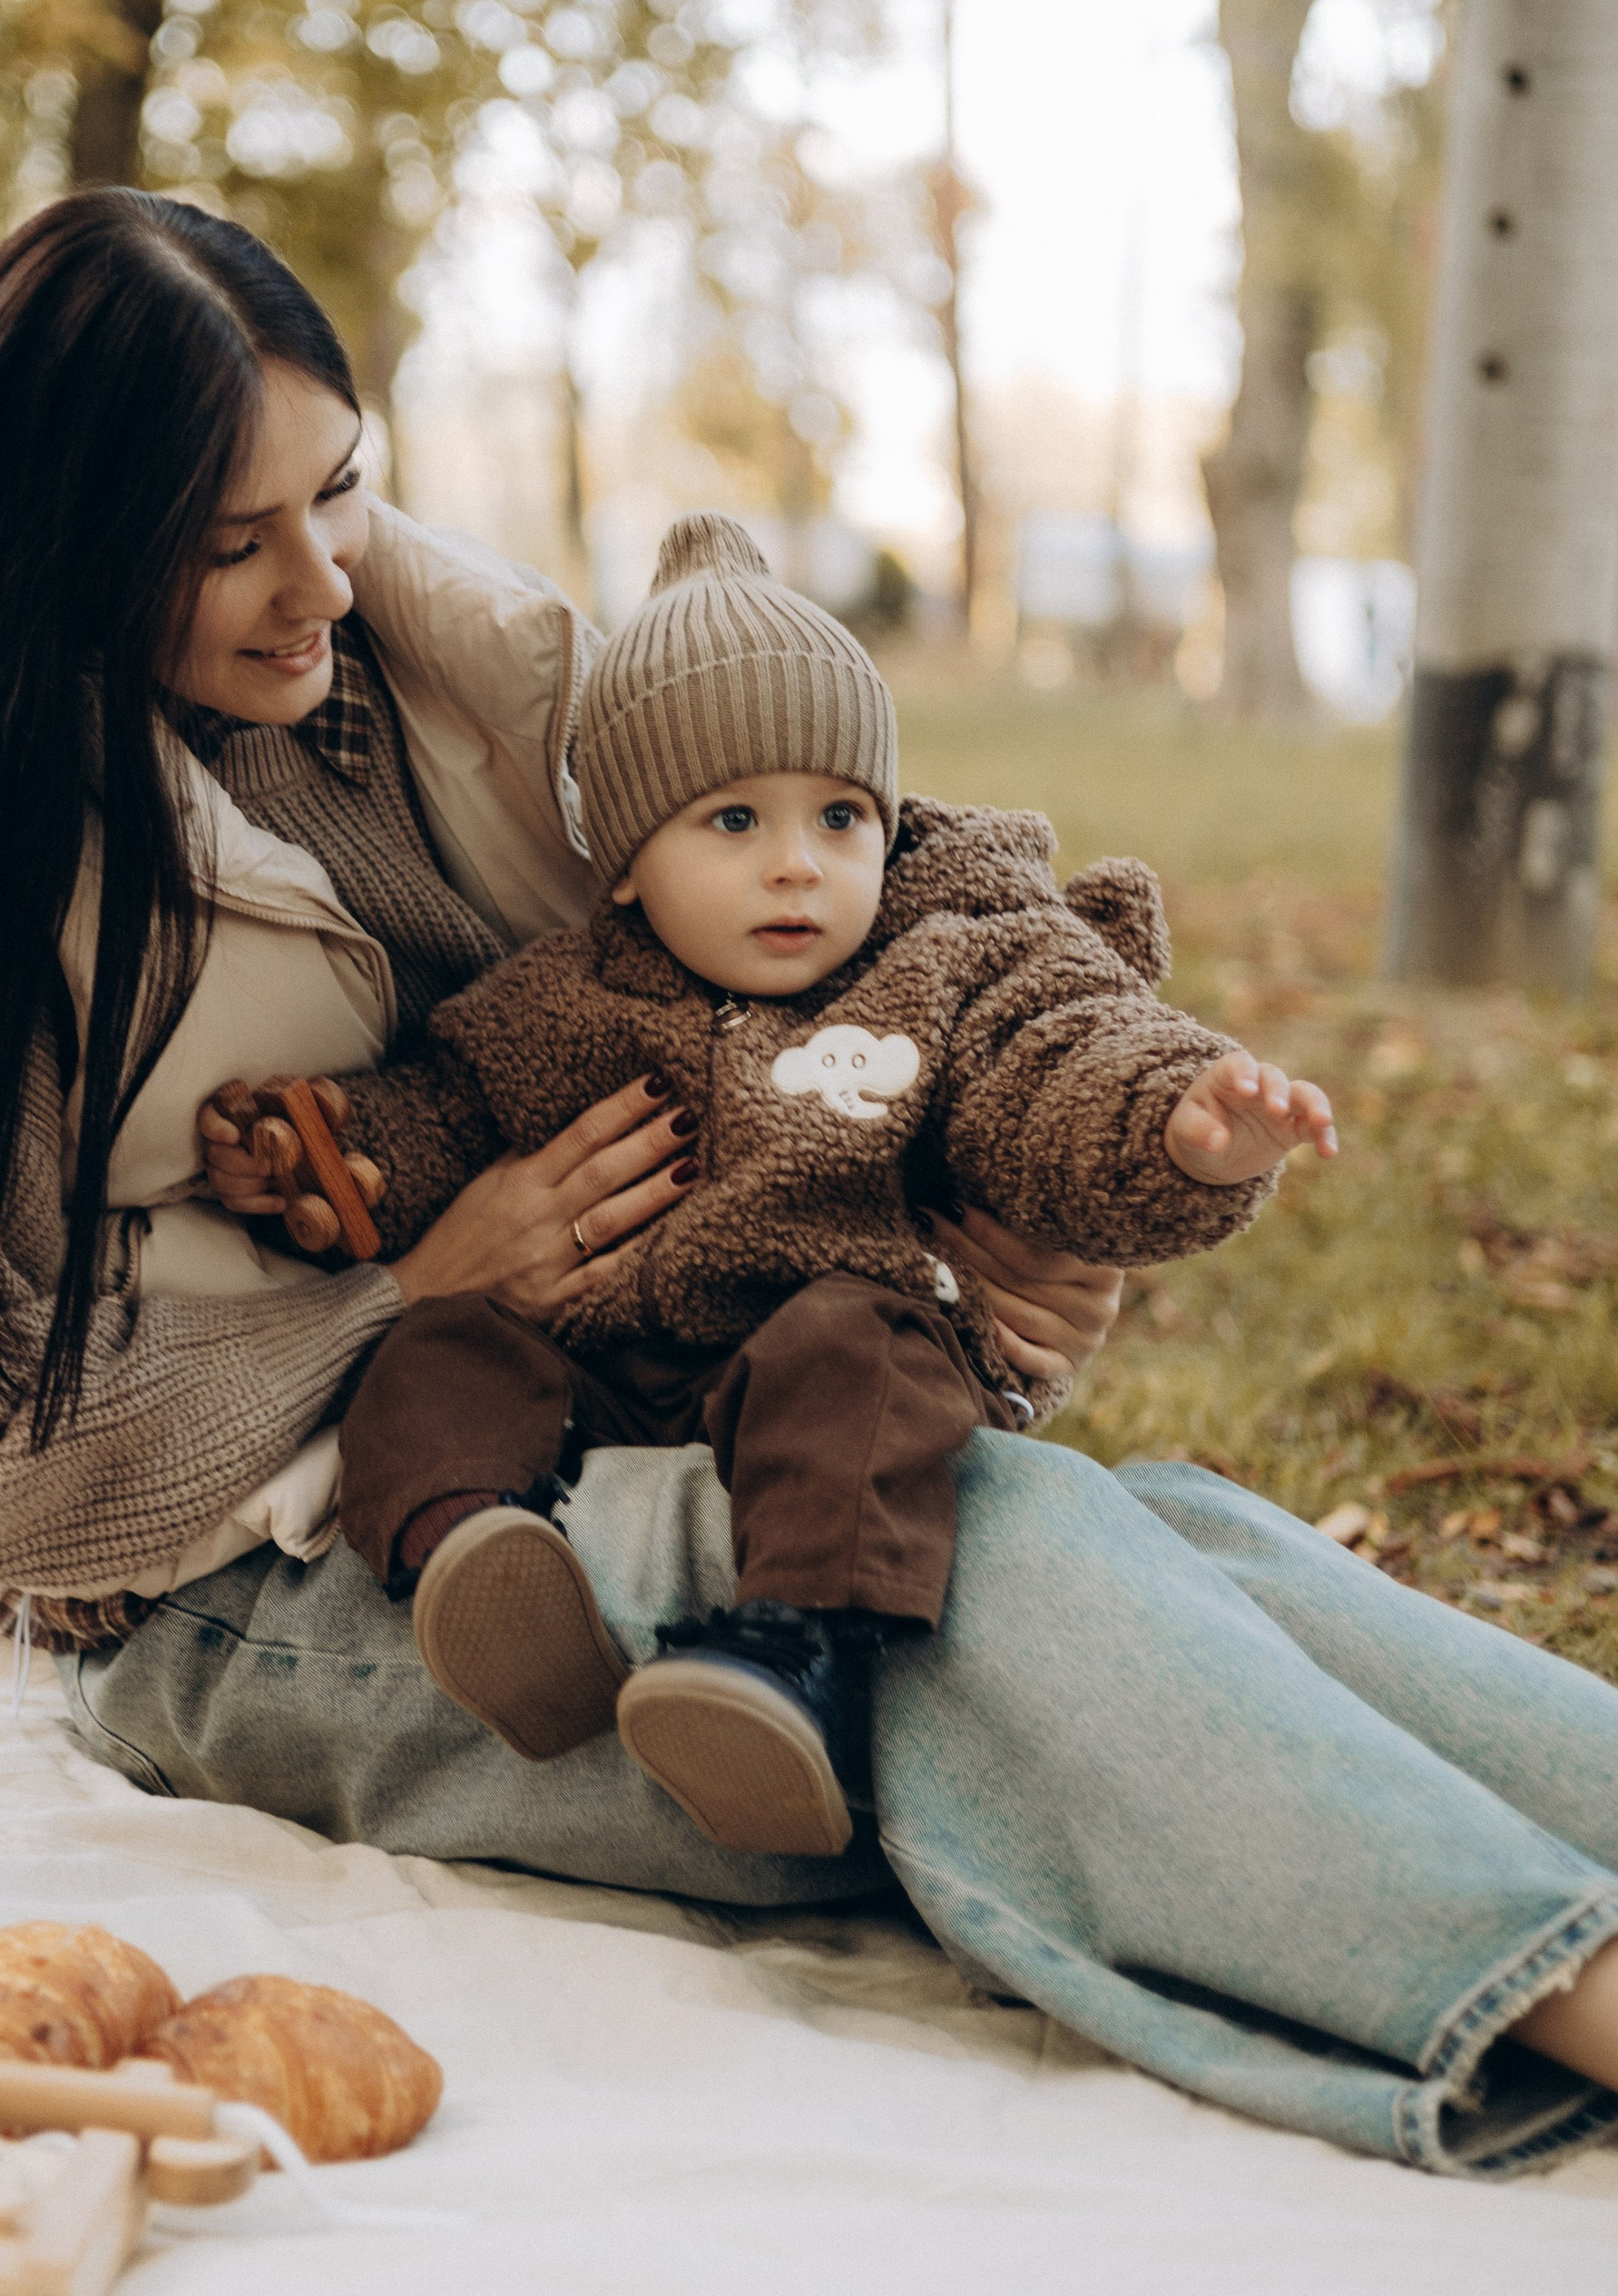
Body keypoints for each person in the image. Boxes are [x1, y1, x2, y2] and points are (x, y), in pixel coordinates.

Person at [0, 187, 1618, 2179]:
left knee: (1129, 1538)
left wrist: (1007, 1214)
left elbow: (875, 885)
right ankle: (1558, 1994)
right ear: (59, 554)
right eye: (222, 543)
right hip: (268, 1590)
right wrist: (405, 1297)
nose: (321, 585)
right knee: (1003, 1590)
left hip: (638, 1422)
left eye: (336, 493)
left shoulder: (479, 679)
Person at [201, 510, 1336, 1864]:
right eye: (734, 820)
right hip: (611, 1366)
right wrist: (331, 1154)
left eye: (840, 815)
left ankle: (791, 1657)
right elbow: (448, 1109)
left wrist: (1175, 1125)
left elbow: (1058, 1056)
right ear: (626, 861)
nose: (798, 862)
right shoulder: (569, 999)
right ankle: (474, 1559)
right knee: (443, 1344)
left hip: (831, 1356)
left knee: (857, 1353)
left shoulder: (941, 968)